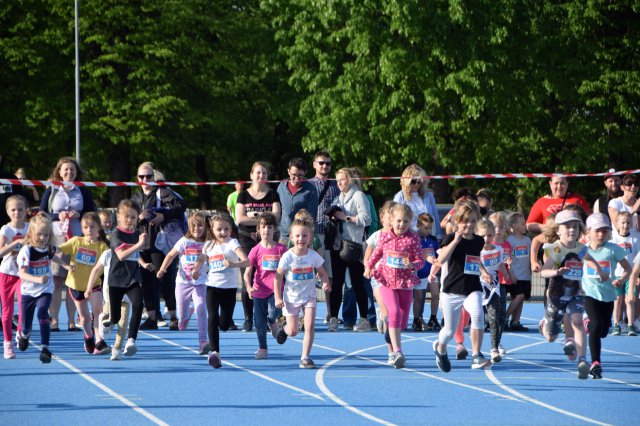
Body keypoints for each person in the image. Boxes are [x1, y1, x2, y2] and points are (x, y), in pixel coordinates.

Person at [539, 209, 606, 379]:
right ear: (558, 230)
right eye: (567, 227)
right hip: (556, 294)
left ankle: (582, 361)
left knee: (577, 320)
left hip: (576, 292)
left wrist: (600, 271)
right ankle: (544, 326)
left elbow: (590, 259)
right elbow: (543, 272)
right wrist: (556, 272)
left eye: (575, 227)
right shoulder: (555, 249)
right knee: (551, 337)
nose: (572, 230)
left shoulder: (581, 248)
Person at [432, 200, 492, 372]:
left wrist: (483, 271)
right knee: (449, 331)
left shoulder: (479, 241)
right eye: (465, 221)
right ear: (457, 222)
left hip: (472, 287)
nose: (470, 225)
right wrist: (455, 240)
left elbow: (474, 258)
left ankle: (476, 355)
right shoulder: (450, 238)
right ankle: (441, 349)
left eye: (473, 221)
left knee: (478, 314)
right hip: (452, 289)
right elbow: (441, 259)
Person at [40, 157, 97, 332]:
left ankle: (72, 321)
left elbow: (92, 213)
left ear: (76, 172)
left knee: (74, 281)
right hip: (57, 237)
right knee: (57, 281)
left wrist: (79, 216)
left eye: (72, 170)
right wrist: (59, 216)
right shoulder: (51, 189)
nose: (69, 173)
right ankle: (55, 320)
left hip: (78, 239)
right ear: (59, 171)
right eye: (65, 170)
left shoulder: (83, 190)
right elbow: (42, 213)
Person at [364, 204, 423, 368]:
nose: (401, 225)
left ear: (410, 222)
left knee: (402, 322)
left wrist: (412, 265)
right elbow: (376, 254)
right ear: (391, 220)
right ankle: (397, 351)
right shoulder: (385, 237)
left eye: (405, 221)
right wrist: (368, 267)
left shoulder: (413, 239)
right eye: (398, 221)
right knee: (394, 312)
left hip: (405, 283)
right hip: (387, 281)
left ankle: (391, 328)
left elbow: (420, 261)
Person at [131, 162, 186, 330]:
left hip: (160, 243)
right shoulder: (136, 197)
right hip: (142, 243)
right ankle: (152, 316)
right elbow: (128, 216)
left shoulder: (162, 192)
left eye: (149, 176)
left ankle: (174, 316)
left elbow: (181, 206)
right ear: (137, 178)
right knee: (146, 282)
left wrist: (163, 215)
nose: (145, 179)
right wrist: (138, 218)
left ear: (154, 178)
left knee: (164, 279)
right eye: (142, 177)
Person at [192, 212, 249, 369]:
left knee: (223, 324)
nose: (223, 233)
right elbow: (201, 259)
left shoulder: (233, 243)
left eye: (226, 229)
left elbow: (247, 261)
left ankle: (218, 334)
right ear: (212, 229)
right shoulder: (209, 245)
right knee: (212, 318)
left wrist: (232, 264)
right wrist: (196, 270)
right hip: (212, 287)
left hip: (229, 289)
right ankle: (215, 353)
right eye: (219, 229)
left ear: (230, 229)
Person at [274, 218, 330, 369]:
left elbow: (323, 273)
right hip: (291, 298)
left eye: (305, 236)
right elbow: (278, 276)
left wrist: (325, 282)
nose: (301, 239)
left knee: (310, 325)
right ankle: (284, 329)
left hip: (309, 296)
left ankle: (305, 357)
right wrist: (277, 297)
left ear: (310, 238)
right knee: (293, 331)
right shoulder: (287, 257)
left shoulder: (313, 256)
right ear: (291, 237)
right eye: (297, 236)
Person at [16, 213, 72, 363]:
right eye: (39, 234)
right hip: (28, 292)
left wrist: (66, 265)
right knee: (26, 325)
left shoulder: (48, 248)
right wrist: (37, 279)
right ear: (31, 233)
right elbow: (21, 274)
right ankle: (23, 335)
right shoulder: (26, 251)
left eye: (46, 235)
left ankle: (45, 348)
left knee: (42, 314)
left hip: (45, 290)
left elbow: (55, 256)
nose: (42, 238)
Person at [101, 199, 154, 358]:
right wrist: (138, 244)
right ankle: (108, 322)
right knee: (116, 317)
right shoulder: (116, 234)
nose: (130, 220)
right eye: (127, 217)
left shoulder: (136, 234)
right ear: (119, 216)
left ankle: (131, 340)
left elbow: (134, 255)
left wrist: (144, 264)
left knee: (139, 303)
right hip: (117, 280)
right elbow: (123, 255)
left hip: (132, 278)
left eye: (133, 217)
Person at [582, 213, 631, 379]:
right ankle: (596, 363)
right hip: (589, 294)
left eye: (604, 231)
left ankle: (589, 325)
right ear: (588, 231)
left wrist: (621, 279)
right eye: (597, 231)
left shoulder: (613, 249)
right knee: (596, 326)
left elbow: (628, 268)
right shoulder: (582, 249)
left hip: (608, 295)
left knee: (603, 331)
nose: (601, 234)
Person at [235, 161, 281, 332]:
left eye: (264, 173)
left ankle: (269, 316)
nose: (261, 176)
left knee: (268, 276)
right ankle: (248, 318)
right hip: (247, 240)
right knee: (248, 275)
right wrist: (264, 218)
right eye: (258, 173)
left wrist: (255, 216)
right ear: (251, 175)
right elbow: (240, 219)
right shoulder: (243, 195)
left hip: (268, 240)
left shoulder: (273, 195)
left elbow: (275, 218)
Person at [157, 211, 211, 354]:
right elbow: (170, 255)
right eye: (193, 226)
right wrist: (162, 269)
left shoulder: (207, 244)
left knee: (201, 310)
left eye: (200, 226)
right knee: (181, 316)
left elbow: (210, 258)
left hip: (200, 283)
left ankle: (203, 341)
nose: (196, 229)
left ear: (205, 227)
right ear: (188, 226)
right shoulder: (184, 241)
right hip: (183, 283)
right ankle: (185, 317)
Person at [326, 168, 371, 332]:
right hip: (338, 244)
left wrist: (345, 217)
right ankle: (333, 318)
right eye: (337, 180)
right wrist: (332, 216)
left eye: (342, 180)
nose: (339, 183)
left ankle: (364, 319)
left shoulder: (358, 195)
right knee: (337, 283)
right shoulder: (339, 197)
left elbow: (367, 219)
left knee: (357, 283)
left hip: (354, 244)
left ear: (350, 179)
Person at [58, 212, 110, 355]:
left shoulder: (102, 247)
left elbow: (111, 260)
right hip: (76, 285)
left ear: (98, 228)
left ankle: (99, 341)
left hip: (94, 285)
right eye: (86, 227)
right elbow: (57, 250)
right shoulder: (76, 241)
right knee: (85, 317)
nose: (89, 230)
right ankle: (89, 336)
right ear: (82, 229)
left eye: (92, 226)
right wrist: (63, 264)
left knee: (98, 311)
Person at [244, 213, 287, 359]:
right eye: (263, 227)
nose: (266, 230)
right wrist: (249, 287)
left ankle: (272, 321)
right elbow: (247, 272)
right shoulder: (255, 250)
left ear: (274, 229)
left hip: (275, 291)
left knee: (273, 313)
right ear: (258, 229)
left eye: (269, 227)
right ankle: (263, 348)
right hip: (259, 290)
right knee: (259, 322)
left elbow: (290, 269)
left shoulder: (281, 249)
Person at [308, 151, 339, 323]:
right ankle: (304, 313)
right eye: (321, 163)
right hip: (310, 234)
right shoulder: (307, 184)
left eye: (327, 163)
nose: (324, 166)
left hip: (329, 234)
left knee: (328, 274)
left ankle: (330, 313)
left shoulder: (336, 185)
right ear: (314, 164)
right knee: (305, 272)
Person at [363, 201, 395, 361]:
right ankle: (392, 352)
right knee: (389, 315)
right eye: (391, 218)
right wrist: (368, 269)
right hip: (378, 279)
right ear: (382, 217)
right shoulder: (376, 236)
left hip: (396, 280)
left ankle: (381, 316)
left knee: (396, 316)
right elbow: (367, 258)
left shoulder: (401, 237)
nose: (394, 222)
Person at [88, 247, 130, 360]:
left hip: (126, 295)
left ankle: (117, 349)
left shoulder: (133, 253)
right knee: (110, 321)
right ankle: (103, 322)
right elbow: (96, 270)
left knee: (123, 324)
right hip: (111, 295)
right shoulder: (107, 254)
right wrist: (89, 288)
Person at [475, 219, 508, 363]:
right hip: (479, 286)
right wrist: (483, 272)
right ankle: (460, 343)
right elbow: (476, 261)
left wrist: (506, 273)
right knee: (481, 318)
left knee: (498, 318)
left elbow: (500, 264)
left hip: (495, 286)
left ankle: (494, 347)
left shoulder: (498, 249)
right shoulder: (476, 251)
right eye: (483, 236)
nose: (486, 239)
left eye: (489, 235)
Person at [0, 195, 28, 359]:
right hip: (7, 273)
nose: (17, 212)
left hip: (24, 273)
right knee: (7, 310)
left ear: (25, 211)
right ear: (8, 212)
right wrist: (14, 244)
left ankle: (19, 333)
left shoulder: (30, 228)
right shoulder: (6, 230)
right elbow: (0, 251)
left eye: (20, 209)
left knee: (24, 306)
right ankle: (8, 343)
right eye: (13, 210)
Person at [526, 175, 591, 234]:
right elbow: (529, 225)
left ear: (567, 184)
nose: (559, 186)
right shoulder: (541, 202)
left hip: (574, 240)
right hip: (550, 241)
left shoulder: (578, 199)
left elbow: (590, 220)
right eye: (556, 183)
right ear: (550, 184)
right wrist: (549, 228)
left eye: (562, 183)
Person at [610, 212, 640, 336]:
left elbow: (638, 258)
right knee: (617, 301)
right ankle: (616, 324)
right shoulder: (613, 239)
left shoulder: (636, 238)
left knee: (630, 300)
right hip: (617, 275)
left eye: (628, 222)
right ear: (617, 224)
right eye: (622, 222)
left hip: (631, 275)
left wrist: (637, 276)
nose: (625, 225)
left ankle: (630, 324)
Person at [276, 158, 319, 244]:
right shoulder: (281, 187)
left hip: (301, 238)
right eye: (294, 175)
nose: (296, 178)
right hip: (283, 236)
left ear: (305, 172)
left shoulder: (311, 190)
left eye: (300, 175)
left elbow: (312, 217)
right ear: (288, 171)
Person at [393, 164, 441, 238]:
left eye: (419, 181)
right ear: (407, 181)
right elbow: (395, 219)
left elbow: (435, 216)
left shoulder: (429, 195)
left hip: (429, 237)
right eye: (413, 181)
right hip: (409, 238)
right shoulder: (400, 197)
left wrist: (438, 235)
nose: (417, 184)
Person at [412, 213, 440, 331]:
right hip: (419, 273)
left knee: (435, 295)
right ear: (418, 225)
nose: (428, 230)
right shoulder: (414, 239)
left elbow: (439, 253)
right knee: (418, 298)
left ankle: (433, 318)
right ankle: (416, 319)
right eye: (425, 227)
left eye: (430, 228)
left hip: (431, 273)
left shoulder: (433, 240)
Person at [505, 212, 532, 330]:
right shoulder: (510, 241)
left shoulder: (528, 240)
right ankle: (504, 318)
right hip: (515, 275)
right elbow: (507, 259)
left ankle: (516, 321)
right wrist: (510, 273)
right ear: (515, 226)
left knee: (522, 299)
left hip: (525, 275)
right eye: (522, 223)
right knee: (519, 296)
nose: (525, 225)